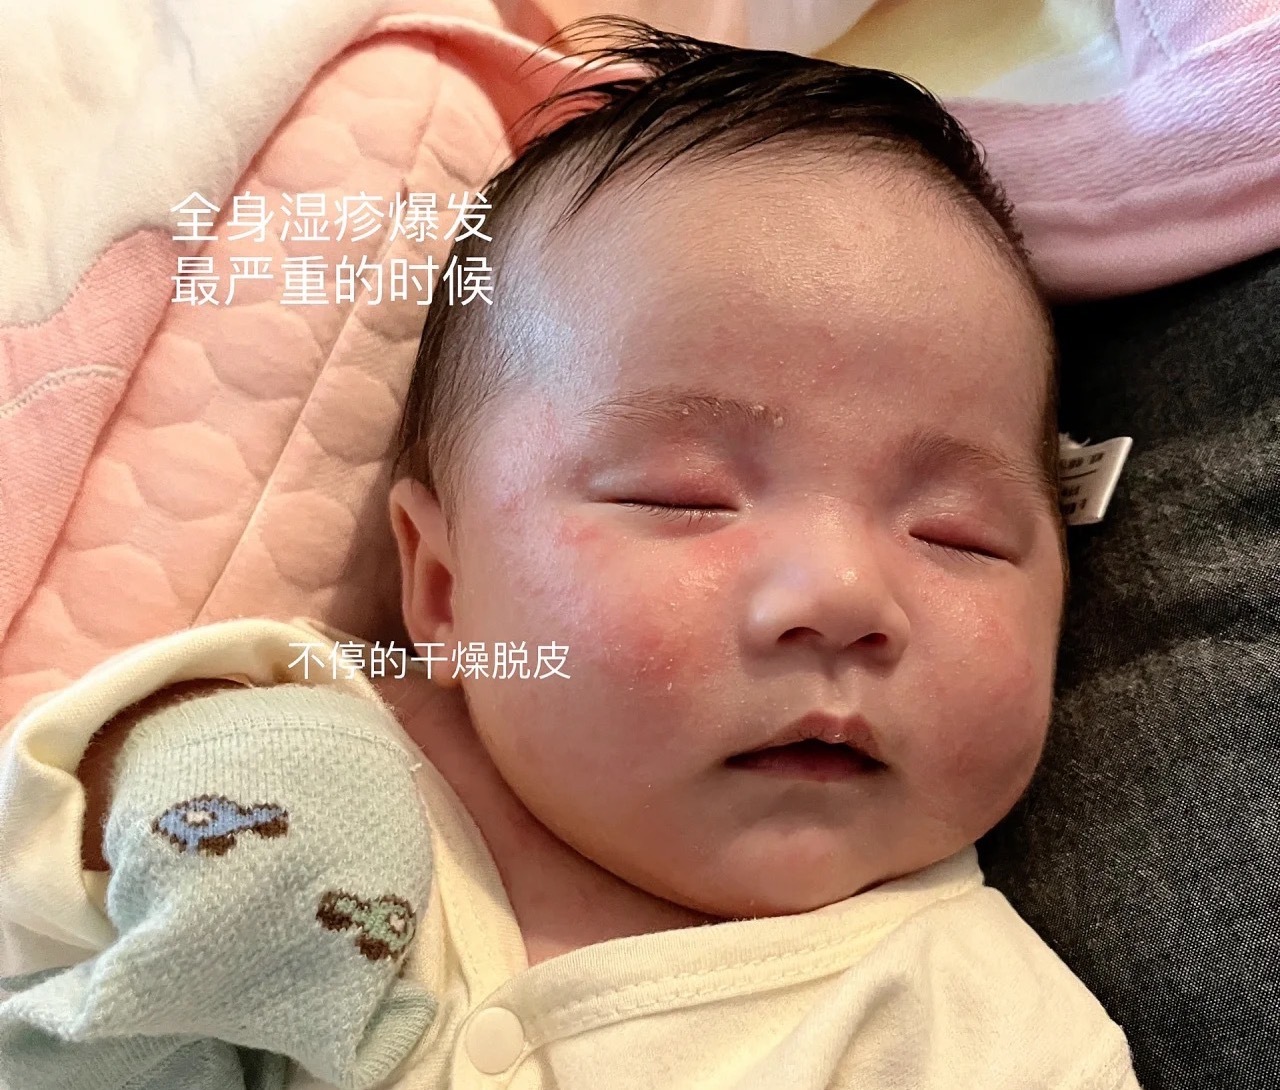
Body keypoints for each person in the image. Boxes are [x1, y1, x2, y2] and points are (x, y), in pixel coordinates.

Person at [0, 19, 1141, 1090]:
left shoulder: (997, 1038)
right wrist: (205, 798)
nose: (843, 594)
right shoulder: (314, 740)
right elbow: (46, 868)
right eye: (682, 497)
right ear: (442, 587)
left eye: (955, 532)